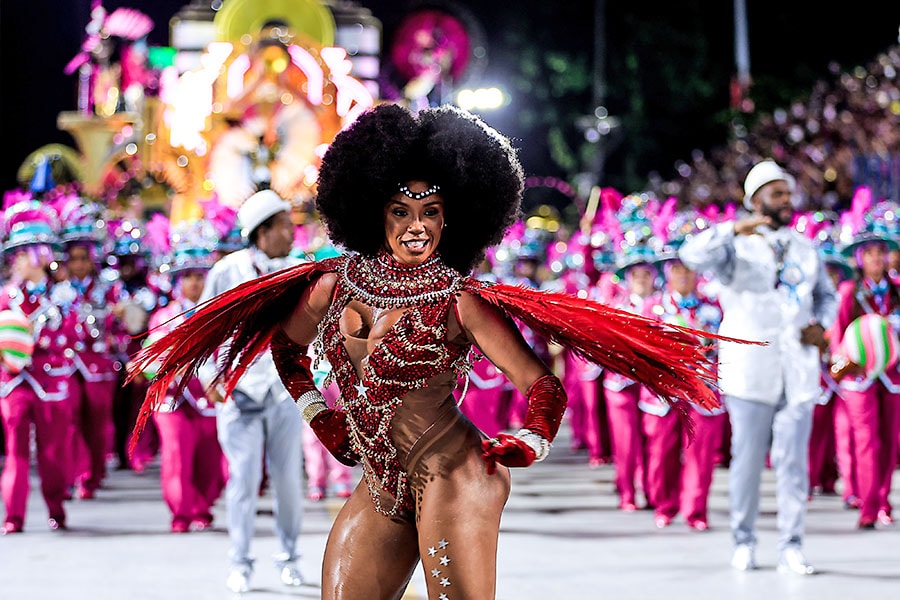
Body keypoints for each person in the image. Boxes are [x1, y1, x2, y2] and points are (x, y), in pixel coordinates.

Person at [131, 104, 742, 599]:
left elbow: (541, 385)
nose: (415, 225)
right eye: (400, 211)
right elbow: (288, 353)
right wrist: (321, 416)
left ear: (455, 221)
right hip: (380, 481)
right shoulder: (331, 285)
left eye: (431, 212)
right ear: (374, 212)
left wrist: (528, 440)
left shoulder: (462, 300)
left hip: (453, 473)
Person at [678, 159, 837, 575]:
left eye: (787, 192)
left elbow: (825, 296)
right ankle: (744, 541)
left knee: (793, 463)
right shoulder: (735, 245)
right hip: (751, 369)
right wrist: (731, 229)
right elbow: (690, 255)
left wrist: (822, 326)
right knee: (747, 461)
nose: (787, 200)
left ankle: (792, 545)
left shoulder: (805, 246)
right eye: (777, 193)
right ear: (755, 200)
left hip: (797, 369)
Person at [193, 188, 305, 593]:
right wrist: (210, 377)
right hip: (238, 393)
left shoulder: (299, 272)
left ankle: (290, 560)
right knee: (241, 481)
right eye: (285, 227)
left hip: (285, 392)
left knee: (289, 481)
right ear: (262, 232)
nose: (293, 234)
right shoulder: (227, 271)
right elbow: (201, 330)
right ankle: (240, 563)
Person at [0, 198, 80, 533]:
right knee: (15, 451)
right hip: (15, 381)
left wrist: (41, 334)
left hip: (50, 382)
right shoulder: (5, 297)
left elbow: (71, 337)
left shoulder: (62, 296)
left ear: (39, 256)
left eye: (23, 253)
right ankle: (13, 516)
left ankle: (56, 509)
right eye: (15, 253)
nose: (16, 260)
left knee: (52, 452)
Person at [143, 219, 226, 533]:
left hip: (209, 396)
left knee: (211, 461)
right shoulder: (164, 317)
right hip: (172, 400)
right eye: (187, 276)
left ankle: (202, 505)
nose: (194, 283)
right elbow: (151, 359)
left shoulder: (220, 314)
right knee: (176, 458)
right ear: (177, 280)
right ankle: (180, 513)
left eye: (199, 276)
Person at [829, 224, 900, 529]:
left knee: (890, 441)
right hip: (858, 378)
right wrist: (843, 365)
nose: (875, 258)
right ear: (859, 258)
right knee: (865, 440)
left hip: (892, 376)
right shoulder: (849, 292)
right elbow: (837, 336)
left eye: (880, 253)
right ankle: (868, 505)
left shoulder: (897, 289)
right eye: (868, 253)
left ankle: (883, 501)